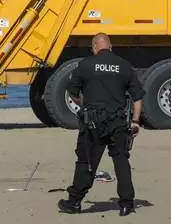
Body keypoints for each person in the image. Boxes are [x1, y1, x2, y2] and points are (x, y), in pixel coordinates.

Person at [58, 32, 145, 217]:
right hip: (118, 121)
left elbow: (72, 92)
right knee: (121, 161)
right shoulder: (124, 66)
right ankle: (126, 204)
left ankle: (74, 202)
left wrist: (85, 104)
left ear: (94, 46)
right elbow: (138, 97)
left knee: (87, 162)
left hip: (93, 122)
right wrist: (136, 121)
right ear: (110, 46)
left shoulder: (85, 65)